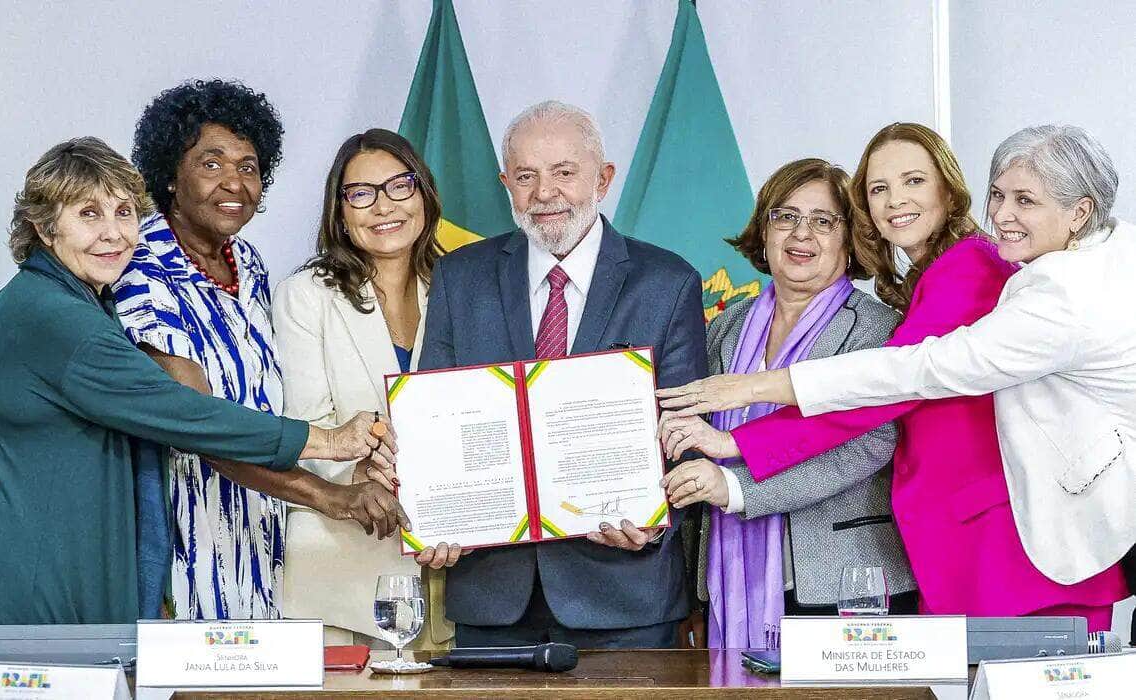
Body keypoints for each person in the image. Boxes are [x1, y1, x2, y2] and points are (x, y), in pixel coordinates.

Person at [658, 123, 1128, 630]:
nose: (895, 201)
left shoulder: (968, 267)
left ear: (948, 190)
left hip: (1007, 548)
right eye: (879, 188)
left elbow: (883, 393)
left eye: (913, 182)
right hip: (967, 540)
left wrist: (737, 440)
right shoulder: (938, 274)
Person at [0, 137, 406, 652]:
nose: (113, 234)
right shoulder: (54, 318)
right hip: (40, 593)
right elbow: (185, 415)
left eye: (124, 212)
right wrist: (328, 443)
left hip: (95, 577)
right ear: (44, 228)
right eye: (89, 215)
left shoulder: (76, 301)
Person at [419, 100, 706, 648]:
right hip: (491, 596)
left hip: (626, 599)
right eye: (526, 176)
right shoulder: (459, 277)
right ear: (506, 183)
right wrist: (435, 517)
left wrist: (653, 517)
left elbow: (689, 434)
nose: (544, 193)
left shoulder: (667, 282)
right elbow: (436, 426)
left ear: (603, 179)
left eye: (563, 172)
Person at [113, 80, 403, 620]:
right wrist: (329, 493)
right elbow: (197, 424)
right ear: (170, 175)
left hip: (265, 545)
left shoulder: (249, 264)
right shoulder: (141, 271)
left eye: (249, 167)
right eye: (211, 163)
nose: (234, 183)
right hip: (189, 552)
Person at [658, 158, 915, 650]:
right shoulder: (725, 326)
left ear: (851, 237)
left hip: (845, 584)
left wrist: (736, 490)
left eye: (824, 221)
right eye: (786, 216)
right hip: (724, 583)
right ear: (765, 228)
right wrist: (689, 595)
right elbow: (693, 448)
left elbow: (867, 446)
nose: (802, 234)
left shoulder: (878, 328)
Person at [272, 129, 459, 650]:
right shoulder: (306, 295)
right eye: (361, 193)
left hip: (448, 570)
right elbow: (307, 426)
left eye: (400, 186)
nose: (383, 206)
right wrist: (357, 470)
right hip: (342, 573)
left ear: (424, 194)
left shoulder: (458, 287)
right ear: (340, 210)